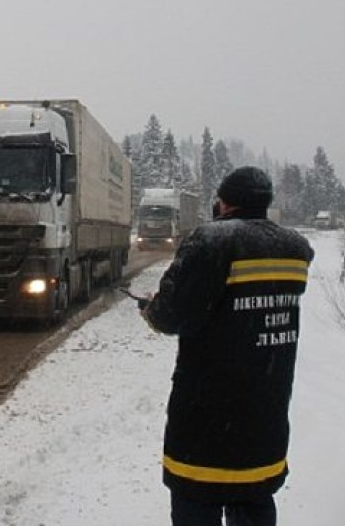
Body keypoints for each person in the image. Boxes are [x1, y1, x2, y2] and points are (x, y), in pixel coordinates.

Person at [141, 166, 314, 526]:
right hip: (265, 415)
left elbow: (175, 315)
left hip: (206, 422)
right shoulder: (294, 250)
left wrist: (152, 308)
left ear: (223, 202)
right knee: (255, 499)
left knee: (196, 503)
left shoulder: (211, 242)